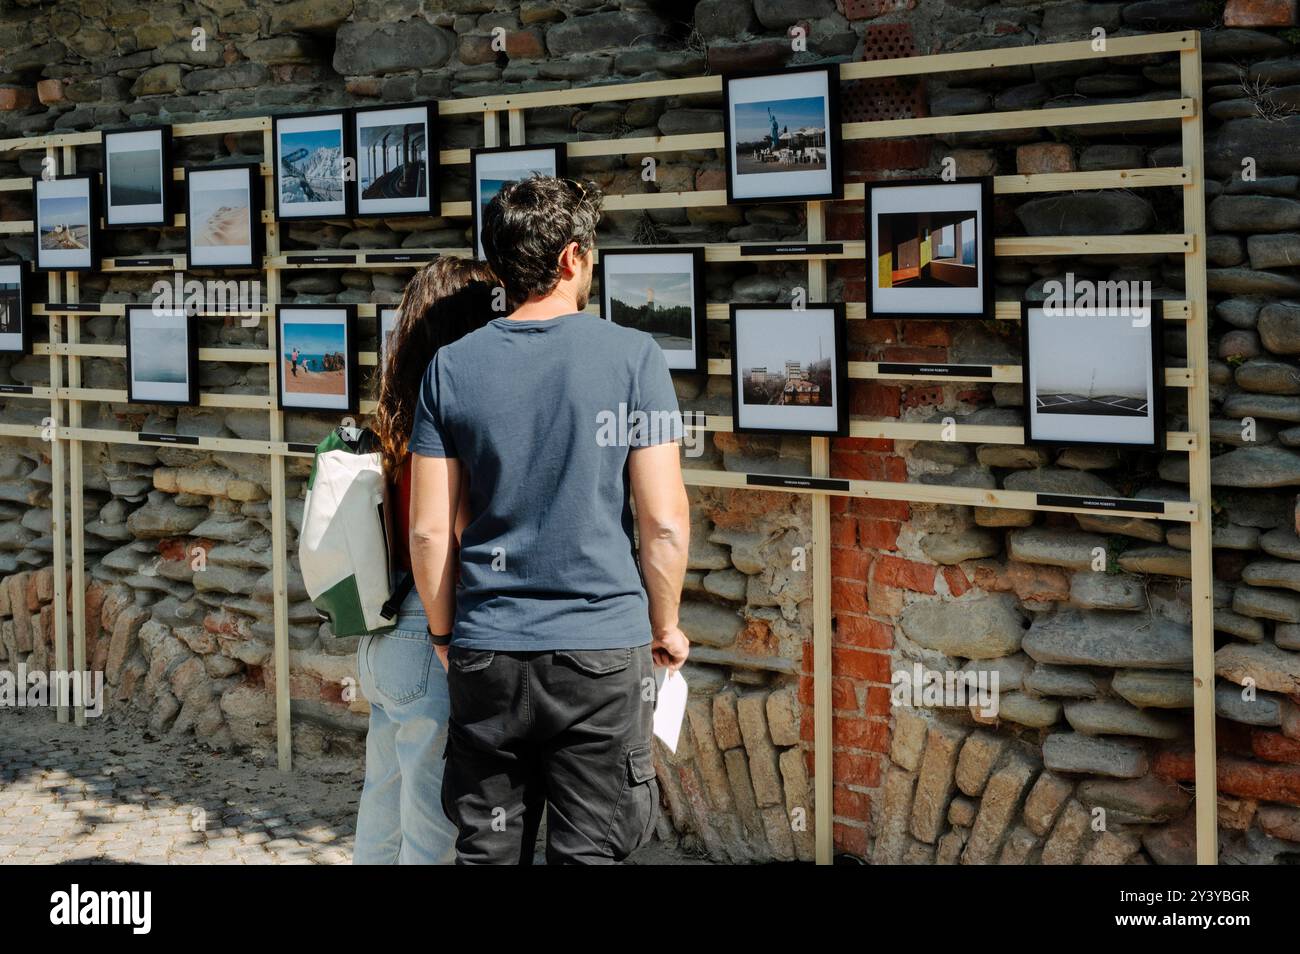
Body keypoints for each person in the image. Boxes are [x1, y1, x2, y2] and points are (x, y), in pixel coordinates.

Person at [407, 176, 691, 864]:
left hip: (488, 655)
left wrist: (446, 634)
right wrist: (665, 625)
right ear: (570, 259)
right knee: (591, 854)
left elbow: (427, 530)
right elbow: (664, 522)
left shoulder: (449, 368)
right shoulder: (635, 358)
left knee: (490, 852)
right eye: (590, 253)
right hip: (599, 654)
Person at [353, 257, 497, 865]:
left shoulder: (397, 415)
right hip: (433, 635)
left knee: (382, 819)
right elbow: (445, 533)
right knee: (433, 838)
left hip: (385, 634)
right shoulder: (453, 418)